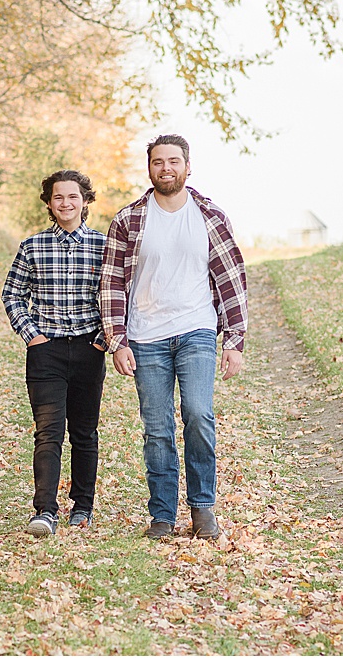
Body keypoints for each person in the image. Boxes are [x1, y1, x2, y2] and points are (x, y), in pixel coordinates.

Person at [99, 134, 247, 540]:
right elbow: (111, 282)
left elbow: (231, 278)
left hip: (196, 329)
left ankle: (203, 510)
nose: (166, 168)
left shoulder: (210, 216)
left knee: (199, 415)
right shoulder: (128, 219)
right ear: (149, 168)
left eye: (173, 161)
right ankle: (162, 514)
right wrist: (118, 340)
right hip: (146, 336)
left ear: (187, 167)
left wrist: (233, 340)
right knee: (157, 427)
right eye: (158, 162)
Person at [1, 170, 107, 537]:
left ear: (86, 201)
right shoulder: (32, 247)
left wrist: (102, 339)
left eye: (73, 197)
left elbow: (116, 298)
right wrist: (32, 335)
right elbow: (12, 295)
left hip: (89, 348)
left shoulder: (103, 245)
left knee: (84, 431)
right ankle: (45, 510)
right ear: (49, 203)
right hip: (46, 351)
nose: (66, 203)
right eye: (58, 197)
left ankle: (83, 507)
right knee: (48, 432)